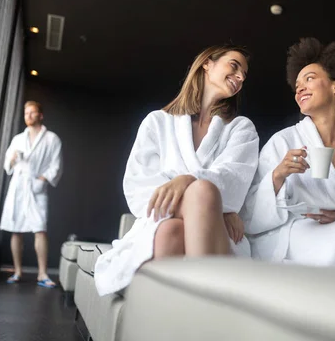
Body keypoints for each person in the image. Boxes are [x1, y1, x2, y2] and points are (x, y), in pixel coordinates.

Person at [94, 44, 259, 296]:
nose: (239, 77)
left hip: (214, 231)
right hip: (160, 219)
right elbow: (139, 185)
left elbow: (235, 179)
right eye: (234, 66)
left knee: (195, 200)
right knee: (184, 214)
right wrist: (204, 195)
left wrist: (187, 181)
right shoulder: (157, 122)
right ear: (207, 63)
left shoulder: (240, 129)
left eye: (244, 76)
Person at [241, 37, 335, 270]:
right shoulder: (283, 141)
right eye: (297, 85)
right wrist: (277, 176)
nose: (299, 88)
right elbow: (249, 216)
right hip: (292, 238)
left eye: (309, 79)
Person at [0, 101, 63, 288]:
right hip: (18, 186)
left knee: (40, 229)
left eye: (32, 112)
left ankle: (42, 274)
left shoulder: (52, 139)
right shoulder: (18, 139)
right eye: (26, 113)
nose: (28, 115)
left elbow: (56, 165)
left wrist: (42, 180)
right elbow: (7, 165)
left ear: (40, 115)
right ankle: (18, 271)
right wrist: (11, 160)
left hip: (36, 186)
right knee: (16, 229)